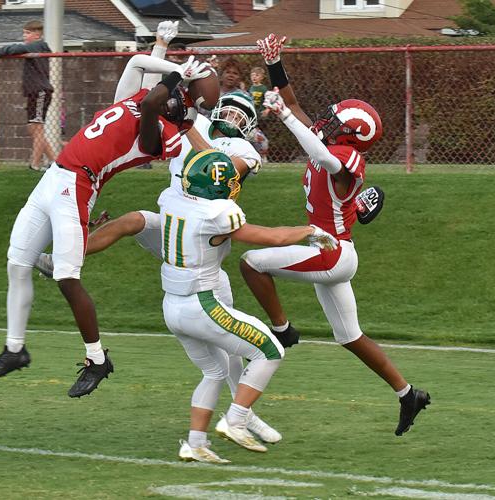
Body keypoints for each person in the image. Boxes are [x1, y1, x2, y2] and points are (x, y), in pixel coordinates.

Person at [33, 21, 312, 443]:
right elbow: (144, 113)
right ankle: (64, 259)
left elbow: (217, 168)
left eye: (242, 113)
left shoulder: (243, 150)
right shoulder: (191, 129)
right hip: (178, 223)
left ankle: (244, 409)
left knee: (230, 345)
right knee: (132, 220)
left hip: (204, 237)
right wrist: (165, 63)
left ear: (252, 124)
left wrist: (187, 124)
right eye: (229, 110)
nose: (233, 117)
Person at [0, 47, 211, 399]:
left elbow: (153, 104)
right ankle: (14, 350)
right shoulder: (136, 101)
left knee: (67, 277)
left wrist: (177, 77)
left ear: (172, 108)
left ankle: (97, 360)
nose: (163, 94)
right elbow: (136, 63)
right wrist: (177, 66)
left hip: (78, 185)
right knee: (17, 263)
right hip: (54, 178)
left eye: (170, 96)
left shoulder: (156, 132)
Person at [241, 33, 431, 437]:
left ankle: (280, 329)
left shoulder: (345, 155)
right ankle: (408, 393)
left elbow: (320, 153)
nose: (327, 119)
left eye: (336, 120)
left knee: (252, 262)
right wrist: (276, 64)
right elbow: (292, 104)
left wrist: (289, 121)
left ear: (351, 135)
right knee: (350, 336)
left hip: (331, 251)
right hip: (334, 250)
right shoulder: (330, 142)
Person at [161, 149, 337, 463]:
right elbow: (273, 237)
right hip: (200, 304)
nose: (232, 185)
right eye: (228, 181)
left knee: (214, 371)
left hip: (171, 306)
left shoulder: (173, 200)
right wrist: (311, 231)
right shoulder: (217, 214)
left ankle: (196, 444)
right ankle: (237, 420)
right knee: (271, 350)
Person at [0, 20, 56, 172]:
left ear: (37, 34)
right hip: (32, 92)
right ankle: (56, 163)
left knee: (37, 128)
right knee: (33, 129)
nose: (25, 36)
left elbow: (16, 48)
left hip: (40, 91)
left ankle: (34, 164)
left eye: (28, 33)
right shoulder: (31, 48)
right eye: (24, 33)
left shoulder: (39, 45)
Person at [247, 66, 269, 163]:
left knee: (261, 138)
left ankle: (263, 156)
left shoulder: (263, 88)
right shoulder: (250, 88)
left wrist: (267, 110)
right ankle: (257, 155)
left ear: (262, 77)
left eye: (257, 75)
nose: (254, 77)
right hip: (252, 116)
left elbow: (268, 100)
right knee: (255, 136)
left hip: (260, 117)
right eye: (252, 75)